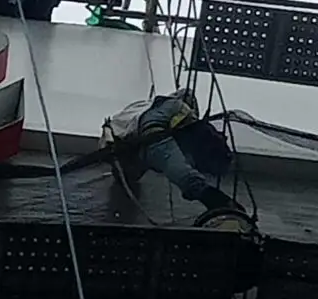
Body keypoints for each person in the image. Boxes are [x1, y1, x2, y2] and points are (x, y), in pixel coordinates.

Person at [102, 88, 241, 213]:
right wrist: (210, 196)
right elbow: (175, 166)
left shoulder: (148, 119)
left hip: (157, 125)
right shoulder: (150, 140)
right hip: (153, 129)